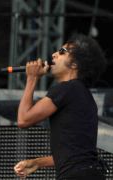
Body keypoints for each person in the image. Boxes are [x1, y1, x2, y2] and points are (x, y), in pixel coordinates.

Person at [13, 34, 107, 180]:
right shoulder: (84, 95)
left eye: (62, 51)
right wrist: (37, 163)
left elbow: (23, 120)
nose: (54, 55)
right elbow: (74, 154)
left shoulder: (66, 89)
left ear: (75, 64)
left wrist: (32, 79)